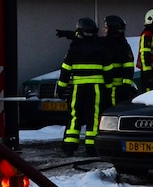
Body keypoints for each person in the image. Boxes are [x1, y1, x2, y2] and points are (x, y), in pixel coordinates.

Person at [55, 17, 108, 156]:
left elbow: (65, 70)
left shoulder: (74, 48)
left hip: (77, 89)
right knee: (93, 117)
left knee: (75, 117)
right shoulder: (100, 47)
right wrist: (108, 87)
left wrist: (61, 89)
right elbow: (108, 69)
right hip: (96, 89)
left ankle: (69, 147)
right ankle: (92, 148)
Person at [101, 15, 136, 107]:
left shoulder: (122, 46)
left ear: (112, 29)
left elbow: (129, 68)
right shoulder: (105, 43)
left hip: (116, 89)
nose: (103, 30)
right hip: (106, 88)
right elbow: (89, 40)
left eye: (106, 28)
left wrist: (125, 87)